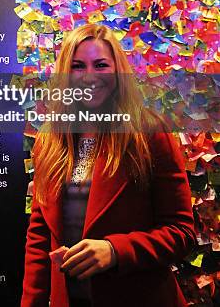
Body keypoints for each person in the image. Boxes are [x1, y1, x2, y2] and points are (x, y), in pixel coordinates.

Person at [21, 24, 196, 307]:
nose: (89, 76)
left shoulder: (148, 133)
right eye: (78, 66)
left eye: (100, 65)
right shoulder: (50, 140)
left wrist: (116, 250)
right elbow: (39, 240)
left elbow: (181, 232)